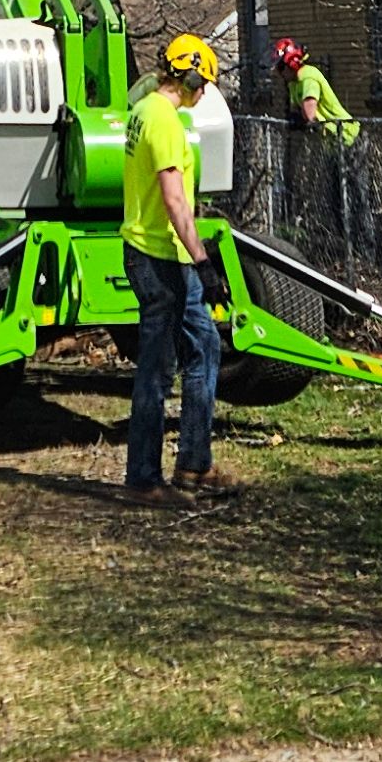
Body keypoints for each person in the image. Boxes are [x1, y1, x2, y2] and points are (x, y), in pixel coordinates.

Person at [119, 32, 225, 503]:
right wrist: (204, 262)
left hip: (168, 256)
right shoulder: (161, 120)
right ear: (189, 76)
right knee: (158, 370)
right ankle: (143, 480)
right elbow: (174, 198)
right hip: (159, 256)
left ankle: (194, 466)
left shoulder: (144, 109)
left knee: (204, 347)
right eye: (203, 84)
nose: (203, 95)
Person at [276, 36, 377, 264]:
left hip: (349, 141)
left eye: (281, 67)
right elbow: (297, 113)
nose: (278, 73)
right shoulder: (294, 83)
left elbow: (309, 115)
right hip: (332, 145)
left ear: (291, 64)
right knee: (336, 201)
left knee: (358, 199)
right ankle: (349, 252)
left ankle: (367, 254)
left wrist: (301, 120)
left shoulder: (308, 78)